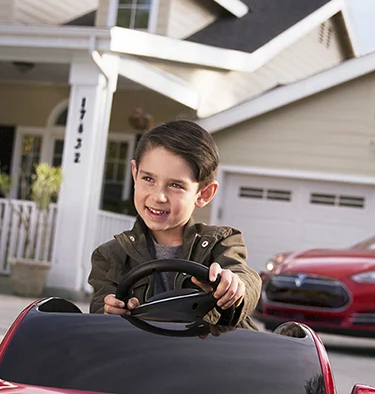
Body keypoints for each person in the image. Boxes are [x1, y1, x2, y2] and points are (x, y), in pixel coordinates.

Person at [88, 119, 261, 329]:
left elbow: (244, 276)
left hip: (208, 348)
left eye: (175, 185)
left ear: (203, 194)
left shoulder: (220, 243)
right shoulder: (110, 256)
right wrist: (110, 311)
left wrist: (233, 285)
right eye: (148, 179)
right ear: (135, 174)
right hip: (141, 349)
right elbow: (99, 315)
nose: (158, 196)